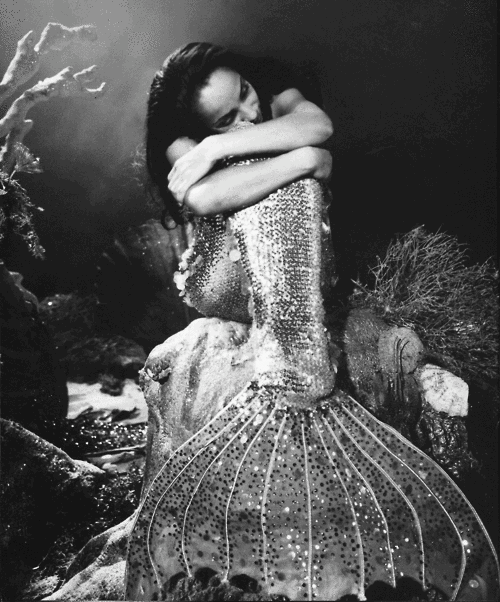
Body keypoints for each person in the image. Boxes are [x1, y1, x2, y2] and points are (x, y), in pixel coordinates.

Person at [126, 43, 499, 601]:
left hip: (301, 266)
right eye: (224, 119)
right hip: (222, 276)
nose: (250, 112)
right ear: (194, 127)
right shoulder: (178, 137)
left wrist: (222, 144)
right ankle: (292, 373)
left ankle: (298, 365)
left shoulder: (273, 92)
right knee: (286, 180)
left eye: (244, 94)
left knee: (283, 176)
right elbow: (203, 197)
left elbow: (318, 126)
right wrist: (303, 161)